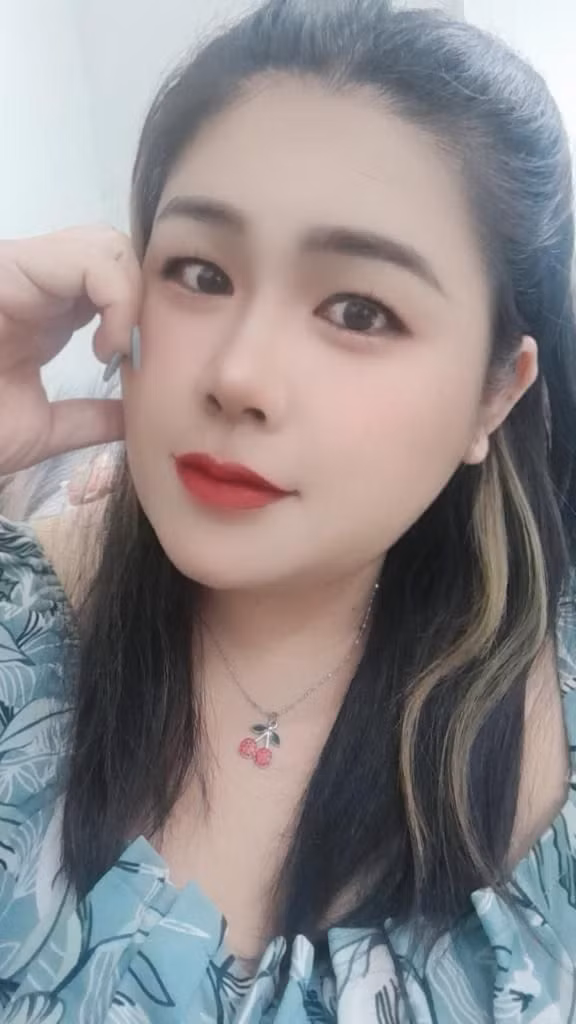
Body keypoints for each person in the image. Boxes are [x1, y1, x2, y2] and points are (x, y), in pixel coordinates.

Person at [0, 0, 575, 1019]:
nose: (238, 375)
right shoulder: (22, 634)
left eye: (359, 309)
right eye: (201, 273)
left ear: (496, 393)